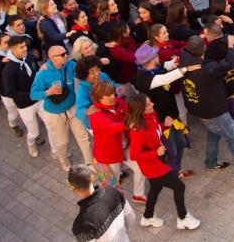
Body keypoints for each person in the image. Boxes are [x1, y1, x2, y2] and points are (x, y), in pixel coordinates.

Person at [179, 34, 234, 181]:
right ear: (204, 48)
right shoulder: (207, 68)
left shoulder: (184, 64)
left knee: (213, 133)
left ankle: (211, 162)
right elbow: (228, 64)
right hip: (216, 112)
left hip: (200, 110)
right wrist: (231, 46)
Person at [126, 94, 201, 229]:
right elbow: (135, 155)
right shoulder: (138, 131)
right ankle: (183, 218)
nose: (152, 105)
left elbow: (156, 131)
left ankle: (147, 217)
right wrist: (155, 153)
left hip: (157, 163)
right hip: (154, 167)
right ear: (140, 110)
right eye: (149, 104)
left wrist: (165, 126)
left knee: (155, 188)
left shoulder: (151, 115)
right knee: (179, 187)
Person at [133, 44, 195, 180]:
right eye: (155, 55)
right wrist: (184, 69)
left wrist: (175, 62)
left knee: (181, 143)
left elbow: (165, 65)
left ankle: (176, 168)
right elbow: (165, 78)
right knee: (171, 149)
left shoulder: (153, 67)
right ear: (150, 61)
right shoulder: (143, 79)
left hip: (173, 116)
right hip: (162, 122)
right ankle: (174, 172)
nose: (158, 56)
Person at [30, 45, 92, 171]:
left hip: (73, 107)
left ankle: (89, 163)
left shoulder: (70, 65)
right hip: (55, 113)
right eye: (62, 54)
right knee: (62, 141)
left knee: (83, 137)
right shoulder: (43, 73)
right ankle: (64, 161)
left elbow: (83, 72)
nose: (66, 55)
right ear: (53, 58)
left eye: (66, 53)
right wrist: (47, 92)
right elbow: (33, 94)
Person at [1, 36, 47, 158]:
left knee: (50, 124)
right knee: (34, 132)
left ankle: (55, 150)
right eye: (21, 47)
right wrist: (29, 96)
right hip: (25, 105)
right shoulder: (9, 70)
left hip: (39, 99)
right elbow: (10, 92)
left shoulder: (30, 57)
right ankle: (31, 143)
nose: (25, 48)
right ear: (13, 50)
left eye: (25, 45)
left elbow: (37, 73)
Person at [68, 163, 137, 241]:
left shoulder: (81, 225)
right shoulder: (114, 192)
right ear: (92, 178)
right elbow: (131, 217)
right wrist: (122, 234)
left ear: (73, 189)